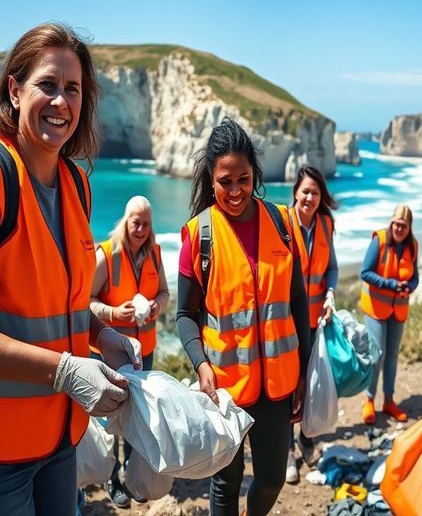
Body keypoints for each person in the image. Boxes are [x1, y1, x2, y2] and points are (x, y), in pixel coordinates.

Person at [0, 23, 141, 515]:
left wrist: (101, 334)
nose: (61, 101)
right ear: (14, 91)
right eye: (47, 84)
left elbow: (55, 303)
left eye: (73, 89)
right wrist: (65, 370)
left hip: (55, 437)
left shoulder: (74, 185)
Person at [176, 117, 311, 516]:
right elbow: (185, 315)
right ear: (210, 179)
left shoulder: (284, 224)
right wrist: (200, 364)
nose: (235, 191)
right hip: (225, 389)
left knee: (271, 479)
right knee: (225, 485)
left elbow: (299, 302)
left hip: (279, 386)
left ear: (255, 173)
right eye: (225, 182)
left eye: (243, 179)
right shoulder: (198, 235)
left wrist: (303, 370)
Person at [89, 195, 169, 508]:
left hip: (142, 352)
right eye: (136, 222)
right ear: (125, 220)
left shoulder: (155, 253)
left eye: (146, 224)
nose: (140, 229)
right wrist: (113, 314)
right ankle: (112, 480)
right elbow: (86, 302)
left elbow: (163, 291)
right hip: (109, 352)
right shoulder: (106, 254)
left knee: (138, 416)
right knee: (110, 417)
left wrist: (156, 307)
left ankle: (133, 476)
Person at [285, 165, 339, 484]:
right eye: (305, 191)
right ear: (295, 192)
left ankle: (306, 440)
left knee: (311, 383)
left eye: (315, 193)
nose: (309, 197)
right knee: (288, 386)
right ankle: (287, 453)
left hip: (316, 321)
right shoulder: (282, 221)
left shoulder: (325, 223)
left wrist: (331, 293)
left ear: (321, 197)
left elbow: (331, 267)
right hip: (286, 322)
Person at [360, 204, 419, 425]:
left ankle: (389, 401)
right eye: (396, 224)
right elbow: (364, 272)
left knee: (392, 356)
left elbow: (415, 277)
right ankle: (369, 400)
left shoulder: (412, 245)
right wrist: (391, 284)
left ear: (409, 227)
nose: (399, 228)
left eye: (404, 225)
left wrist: (409, 286)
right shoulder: (380, 241)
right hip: (375, 309)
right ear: (391, 223)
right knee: (377, 355)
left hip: (398, 310)